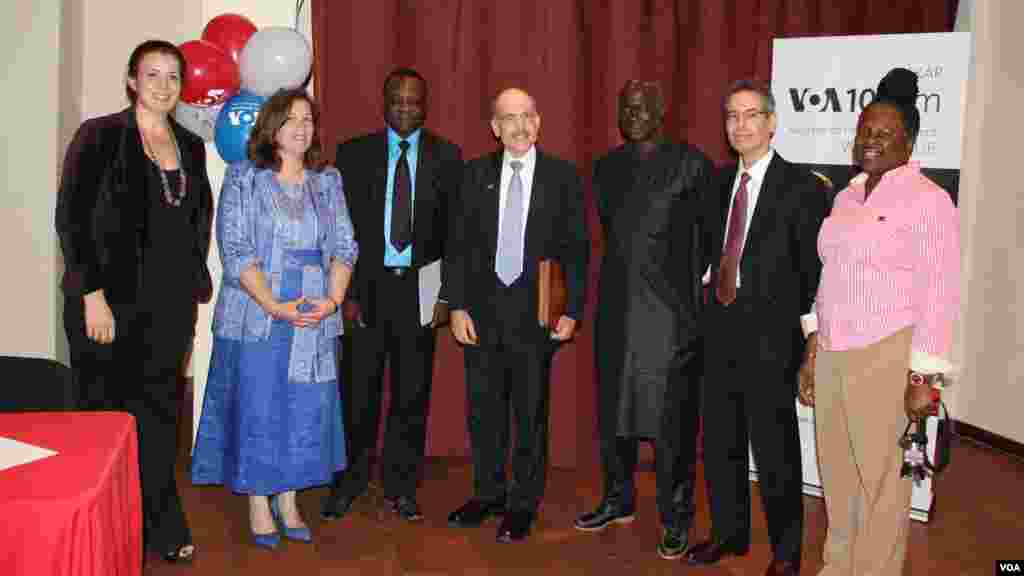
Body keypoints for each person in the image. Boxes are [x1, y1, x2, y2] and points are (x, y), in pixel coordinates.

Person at [55, 39, 214, 563]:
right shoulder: (100, 136)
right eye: (153, 75)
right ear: (131, 80)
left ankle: (161, 525)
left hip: (168, 311)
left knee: (159, 421)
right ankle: (100, 532)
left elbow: (196, 222)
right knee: (104, 422)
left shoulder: (190, 146)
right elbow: (72, 219)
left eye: (173, 77)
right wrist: (90, 294)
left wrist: (193, 294)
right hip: (108, 306)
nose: (164, 86)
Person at [798, 68, 959, 576]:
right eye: (865, 130)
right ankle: (837, 565)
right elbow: (829, 279)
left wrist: (923, 383)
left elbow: (941, 295)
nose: (871, 140)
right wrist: (812, 346)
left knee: (885, 483)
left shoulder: (930, 200)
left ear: (908, 142)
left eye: (884, 133)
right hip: (834, 353)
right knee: (838, 475)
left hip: (888, 355)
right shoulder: (844, 198)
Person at [190, 88, 358, 549]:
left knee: (304, 411)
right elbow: (236, 248)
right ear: (271, 128)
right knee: (260, 409)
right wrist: (273, 304)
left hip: (314, 312)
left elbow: (345, 245)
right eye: (290, 119)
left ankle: (288, 498)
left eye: (308, 119)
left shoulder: (328, 181)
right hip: (256, 314)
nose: (301, 128)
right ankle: (259, 500)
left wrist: (333, 299)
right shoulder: (245, 177)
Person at [685, 80, 828, 576]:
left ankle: (787, 553)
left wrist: (811, 337)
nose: (740, 125)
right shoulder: (716, 183)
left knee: (775, 450)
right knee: (721, 441)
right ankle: (729, 534)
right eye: (732, 117)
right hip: (719, 328)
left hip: (771, 338)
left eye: (751, 115)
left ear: (771, 123)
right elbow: (711, 247)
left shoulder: (804, 187)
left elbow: (813, 272)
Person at [574, 80, 712, 560]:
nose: (633, 114)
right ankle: (618, 499)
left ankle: (676, 518)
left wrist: (692, 309)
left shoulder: (693, 165)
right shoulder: (605, 168)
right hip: (616, 311)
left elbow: (706, 244)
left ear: (660, 111)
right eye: (625, 107)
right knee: (615, 417)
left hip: (671, 316)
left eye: (642, 107)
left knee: (671, 424)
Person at [446, 87, 588, 543]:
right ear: (495, 128)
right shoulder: (473, 176)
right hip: (482, 317)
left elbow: (578, 251)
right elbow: (459, 247)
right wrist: (457, 305)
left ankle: (522, 503)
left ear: (539, 122)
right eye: (509, 118)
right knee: (484, 412)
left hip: (536, 318)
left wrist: (572, 310)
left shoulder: (563, 177)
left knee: (530, 415)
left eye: (527, 116)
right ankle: (488, 494)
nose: (520, 126)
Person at [321, 68, 463, 523]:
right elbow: (338, 232)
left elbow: (455, 236)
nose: (406, 108)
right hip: (367, 289)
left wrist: (445, 296)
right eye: (397, 100)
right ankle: (350, 481)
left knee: (412, 395)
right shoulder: (354, 154)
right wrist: (346, 295)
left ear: (426, 104)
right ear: (384, 103)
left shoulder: (448, 157)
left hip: (420, 291)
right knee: (357, 393)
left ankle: (402, 486)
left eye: (414, 101)